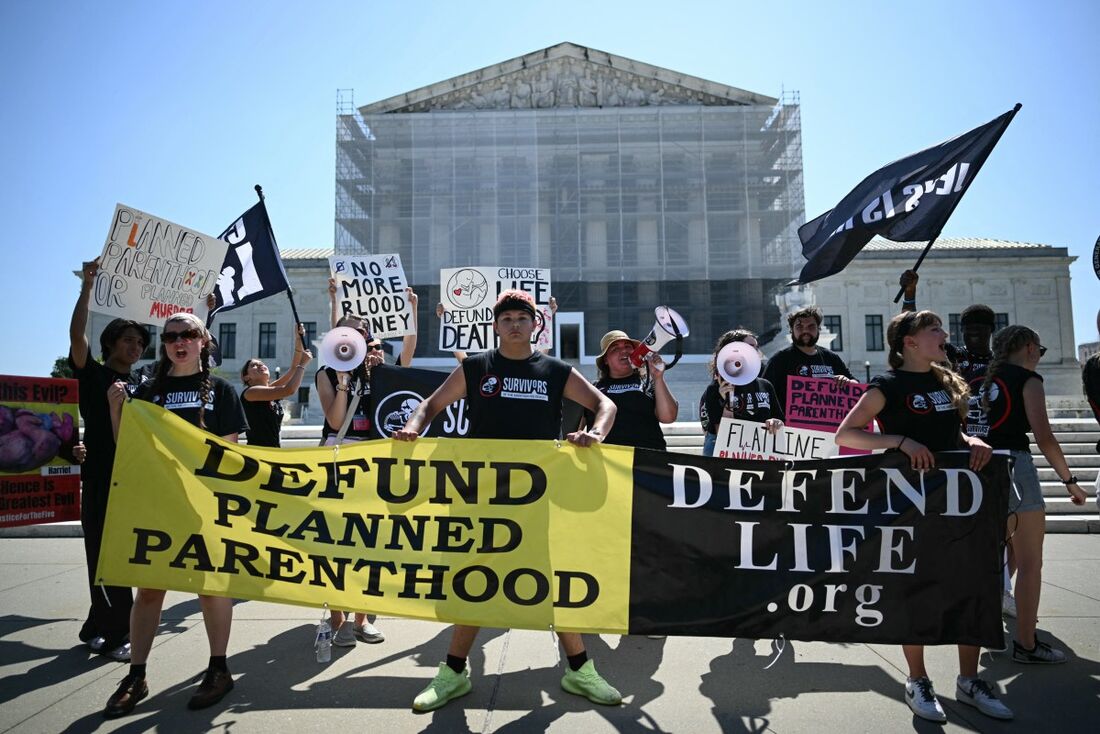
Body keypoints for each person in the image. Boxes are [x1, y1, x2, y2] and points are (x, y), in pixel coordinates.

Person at [393, 289, 622, 713]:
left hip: (537, 496)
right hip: (481, 495)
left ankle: (579, 668)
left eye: (523, 317)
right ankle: (454, 673)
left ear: (536, 324)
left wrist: (596, 434)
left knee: (549, 579)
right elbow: (430, 405)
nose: (515, 324)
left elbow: (604, 404)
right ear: (496, 326)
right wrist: (413, 426)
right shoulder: (478, 367)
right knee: (475, 578)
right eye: (507, 318)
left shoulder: (555, 369)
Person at [835, 310, 1009, 723]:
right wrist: (900, 440)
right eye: (934, 330)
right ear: (909, 342)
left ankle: (970, 680)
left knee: (972, 584)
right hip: (911, 505)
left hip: (959, 502)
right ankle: (918, 679)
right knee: (915, 588)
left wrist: (973, 441)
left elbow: (951, 436)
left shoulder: (944, 381)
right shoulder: (887, 385)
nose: (945, 334)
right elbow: (846, 434)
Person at [103, 313, 248, 718]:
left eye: (187, 335)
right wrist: (117, 412)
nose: (178, 342)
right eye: (169, 337)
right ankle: (136, 674)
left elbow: (230, 454)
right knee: (149, 591)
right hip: (157, 504)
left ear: (204, 340)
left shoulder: (221, 391)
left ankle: (219, 668)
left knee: (211, 587)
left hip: (205, 506)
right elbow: (129, 447)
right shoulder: (147, 390)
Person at [973, 325, 1088, 664]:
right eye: (1040, 349)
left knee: (990, 558)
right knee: (1029, 563)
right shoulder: (1028, 380)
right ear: (1028, 348)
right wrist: (1070, 481)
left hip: (981, 469)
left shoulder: (984, 381)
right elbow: (1045, 436)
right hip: (1015, 469)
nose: (1040, 356)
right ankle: (1025, 643)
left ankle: (981, 635)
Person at [314, 303, 416, 646]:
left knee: (372, 542)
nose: (355, 335)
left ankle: (362, 619)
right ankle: (338, 619)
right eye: (347, 330)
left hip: (374, 461)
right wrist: (344, 381)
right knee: (337, 543)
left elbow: (408, 357)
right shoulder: (326, 373)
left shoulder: (377, 369)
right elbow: (335, 421)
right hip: (340, 458)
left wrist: (411, 310)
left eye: (361, 330)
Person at [68, 258, 150, 662]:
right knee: (104, 551)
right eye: (128, 341)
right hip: (100, 476)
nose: (135, 347)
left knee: (120, 554)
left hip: (132, 478)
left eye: (139, 343)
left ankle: (96, 625)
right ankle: (117, 634)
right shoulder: (92, 374)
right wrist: (87, 287)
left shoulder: (143, 385)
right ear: (111, 344)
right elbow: (77, 335)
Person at [583, 330, 677, 450]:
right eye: (615, 349)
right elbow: (574, 427)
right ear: (605, 360)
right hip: (607, 463)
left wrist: (658, 378)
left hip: (649, 462)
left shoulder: (648, 383)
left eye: (628, 346)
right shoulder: (593, 389)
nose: (624, 351)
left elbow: (668, 417)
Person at [701, 329, 784, 457]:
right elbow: (722, 433)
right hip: (729, 457)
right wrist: (728, 403)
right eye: (750, 347)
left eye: (756, 347)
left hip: (759, 453)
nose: (756, 351)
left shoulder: (765, 386)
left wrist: (775, 422)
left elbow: (780, 420)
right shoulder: (716, 389)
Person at [762, 305, 854, 416]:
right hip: (791, 430)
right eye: (799, 327)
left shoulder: (831, 358)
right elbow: (763, 394)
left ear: (819, 329)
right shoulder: (779, 360)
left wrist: (847, 381)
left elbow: (856, 386)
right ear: (791, 330)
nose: (805, 331)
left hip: (826, 430)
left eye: (811, 326)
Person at [239, 324, 313, 448]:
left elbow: (293, 369)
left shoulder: (269, 390)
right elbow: (289, 390)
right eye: (254, 365)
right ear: (247, 377)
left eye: (261, 363)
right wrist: (303, 365)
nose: (260, 365)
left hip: (273, 451)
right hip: (258, 452)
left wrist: (298, 339)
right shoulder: (250, 392)